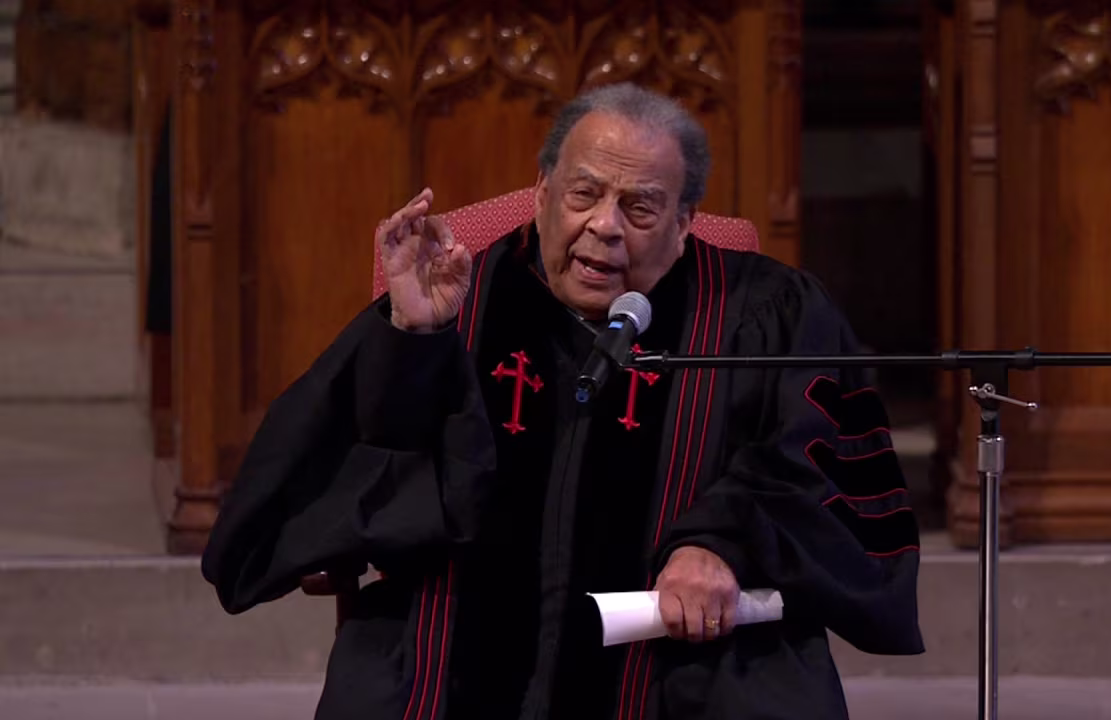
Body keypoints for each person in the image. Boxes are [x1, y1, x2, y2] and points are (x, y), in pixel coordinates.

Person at [201, 82, 923, 720]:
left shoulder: (765, 310)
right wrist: (412, 338)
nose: (606, 225)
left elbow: (824, 468)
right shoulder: (457, 297)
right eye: (584, 194)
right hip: (456, 635)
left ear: (684, 221)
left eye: (640, 206)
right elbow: (344, 470)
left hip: (680, 654)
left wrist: (721, 541)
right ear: (543, 192)